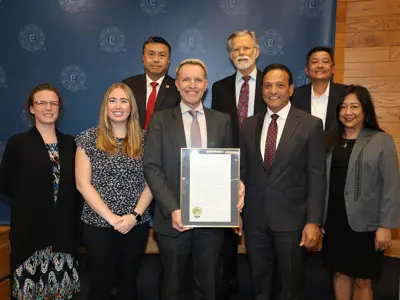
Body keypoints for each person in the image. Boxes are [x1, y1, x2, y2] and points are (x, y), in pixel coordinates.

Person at [144, 59, 244, 300]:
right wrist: (173, 209)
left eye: (198, 80)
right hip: (173, 219)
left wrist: (236, 185)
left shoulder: (222, 121)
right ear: (177, 84)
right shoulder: (159, 120)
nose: (192, 85)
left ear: (205, 84)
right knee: (172, 284)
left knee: (208, 284)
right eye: (186, 79)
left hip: (211, 221)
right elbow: (152, 167)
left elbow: (230, 164)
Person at [240, 64, 326, 300]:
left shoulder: (310, 124)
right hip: (255, 220)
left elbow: (317, 176)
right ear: (261, 91)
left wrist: (314, 221)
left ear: (290, 89)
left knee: (291, 285)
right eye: (267, 85)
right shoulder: (249, 125)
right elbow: (242, 172)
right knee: (260, 284)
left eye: (279, 85)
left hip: (292, 221)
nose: (273, 90)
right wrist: (234, 212)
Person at [0, 83, 81, 300]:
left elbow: (80, 187)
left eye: (53, 103)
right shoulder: (18, 143)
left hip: (63, 235)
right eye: (41, 103)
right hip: (30, 234)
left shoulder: (72, 144)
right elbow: (5, 183)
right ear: (32, 108)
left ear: (59, 108)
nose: (48, 107)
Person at [75, 83, 153, 300]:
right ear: (105, 106)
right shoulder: (88, 138)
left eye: (123, 100)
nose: (118, 106)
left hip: (135, 224)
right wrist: (111, 218)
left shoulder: (147, 140)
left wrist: (133, 216)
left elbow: (152, 182)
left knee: (128, 284)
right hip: (97, 224)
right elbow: (83, 184)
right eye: (112, 100)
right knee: (99, 284)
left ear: (132, 107)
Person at [322, 85, 400, 300]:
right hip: (334, 221)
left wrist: (385, 226)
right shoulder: (329, 140)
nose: (348, 112)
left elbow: (391, 186)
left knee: (362, 279)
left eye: (354, 106)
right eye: (344, 106)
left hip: (367, 224)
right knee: (339, 273)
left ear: (365, 109)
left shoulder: (381, 139)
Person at [211, 30, 266, 297]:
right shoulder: (220, 87)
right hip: (227, 166)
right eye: (236, 49)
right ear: (230, 55)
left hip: (264, 167)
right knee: (227, 228)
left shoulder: (271, 83)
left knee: (259, 227)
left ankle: (263, 283)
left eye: (246, 48)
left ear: (256, 51)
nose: (241, 53)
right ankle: (229, 280)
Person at [122, 36, 180, 130]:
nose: (156, 60)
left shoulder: (178, 89)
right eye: (151, 54)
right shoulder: (128, 85)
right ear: (143, 58)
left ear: (168, 60)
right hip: (132, 142)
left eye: (161, 55)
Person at [291, 46, 346, 131]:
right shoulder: (295, 95)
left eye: (325, 62)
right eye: (315, 62)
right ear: (307, 70)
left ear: (333, 69)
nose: (320, 66)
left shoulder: (345, 93)